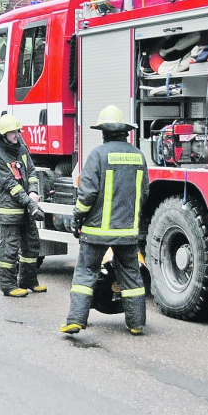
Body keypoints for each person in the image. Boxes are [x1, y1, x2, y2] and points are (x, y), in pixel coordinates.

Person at [61, 105, 149, 336]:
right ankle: (136, 324)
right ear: (124, 132)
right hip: (128, 232)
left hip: (96, 231)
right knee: (131, 276)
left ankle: (76, 321)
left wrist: (77, 218)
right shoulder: (138, 156)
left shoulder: (97, 155)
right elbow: (145, 193)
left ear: (104, 131)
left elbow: (87, 194)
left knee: (85, 274)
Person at [0, 114, 46, 297]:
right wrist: (30, 202)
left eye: (17, 131)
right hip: (10, 208)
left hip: (27, 206)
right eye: (12, 132)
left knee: (32, 245)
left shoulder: (21, 149)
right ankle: (8, 285)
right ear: (3, 135)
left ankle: (28, 281)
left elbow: (32, 171)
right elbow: (10, 184)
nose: (16, 135)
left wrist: (34, 191)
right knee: (10, 249)